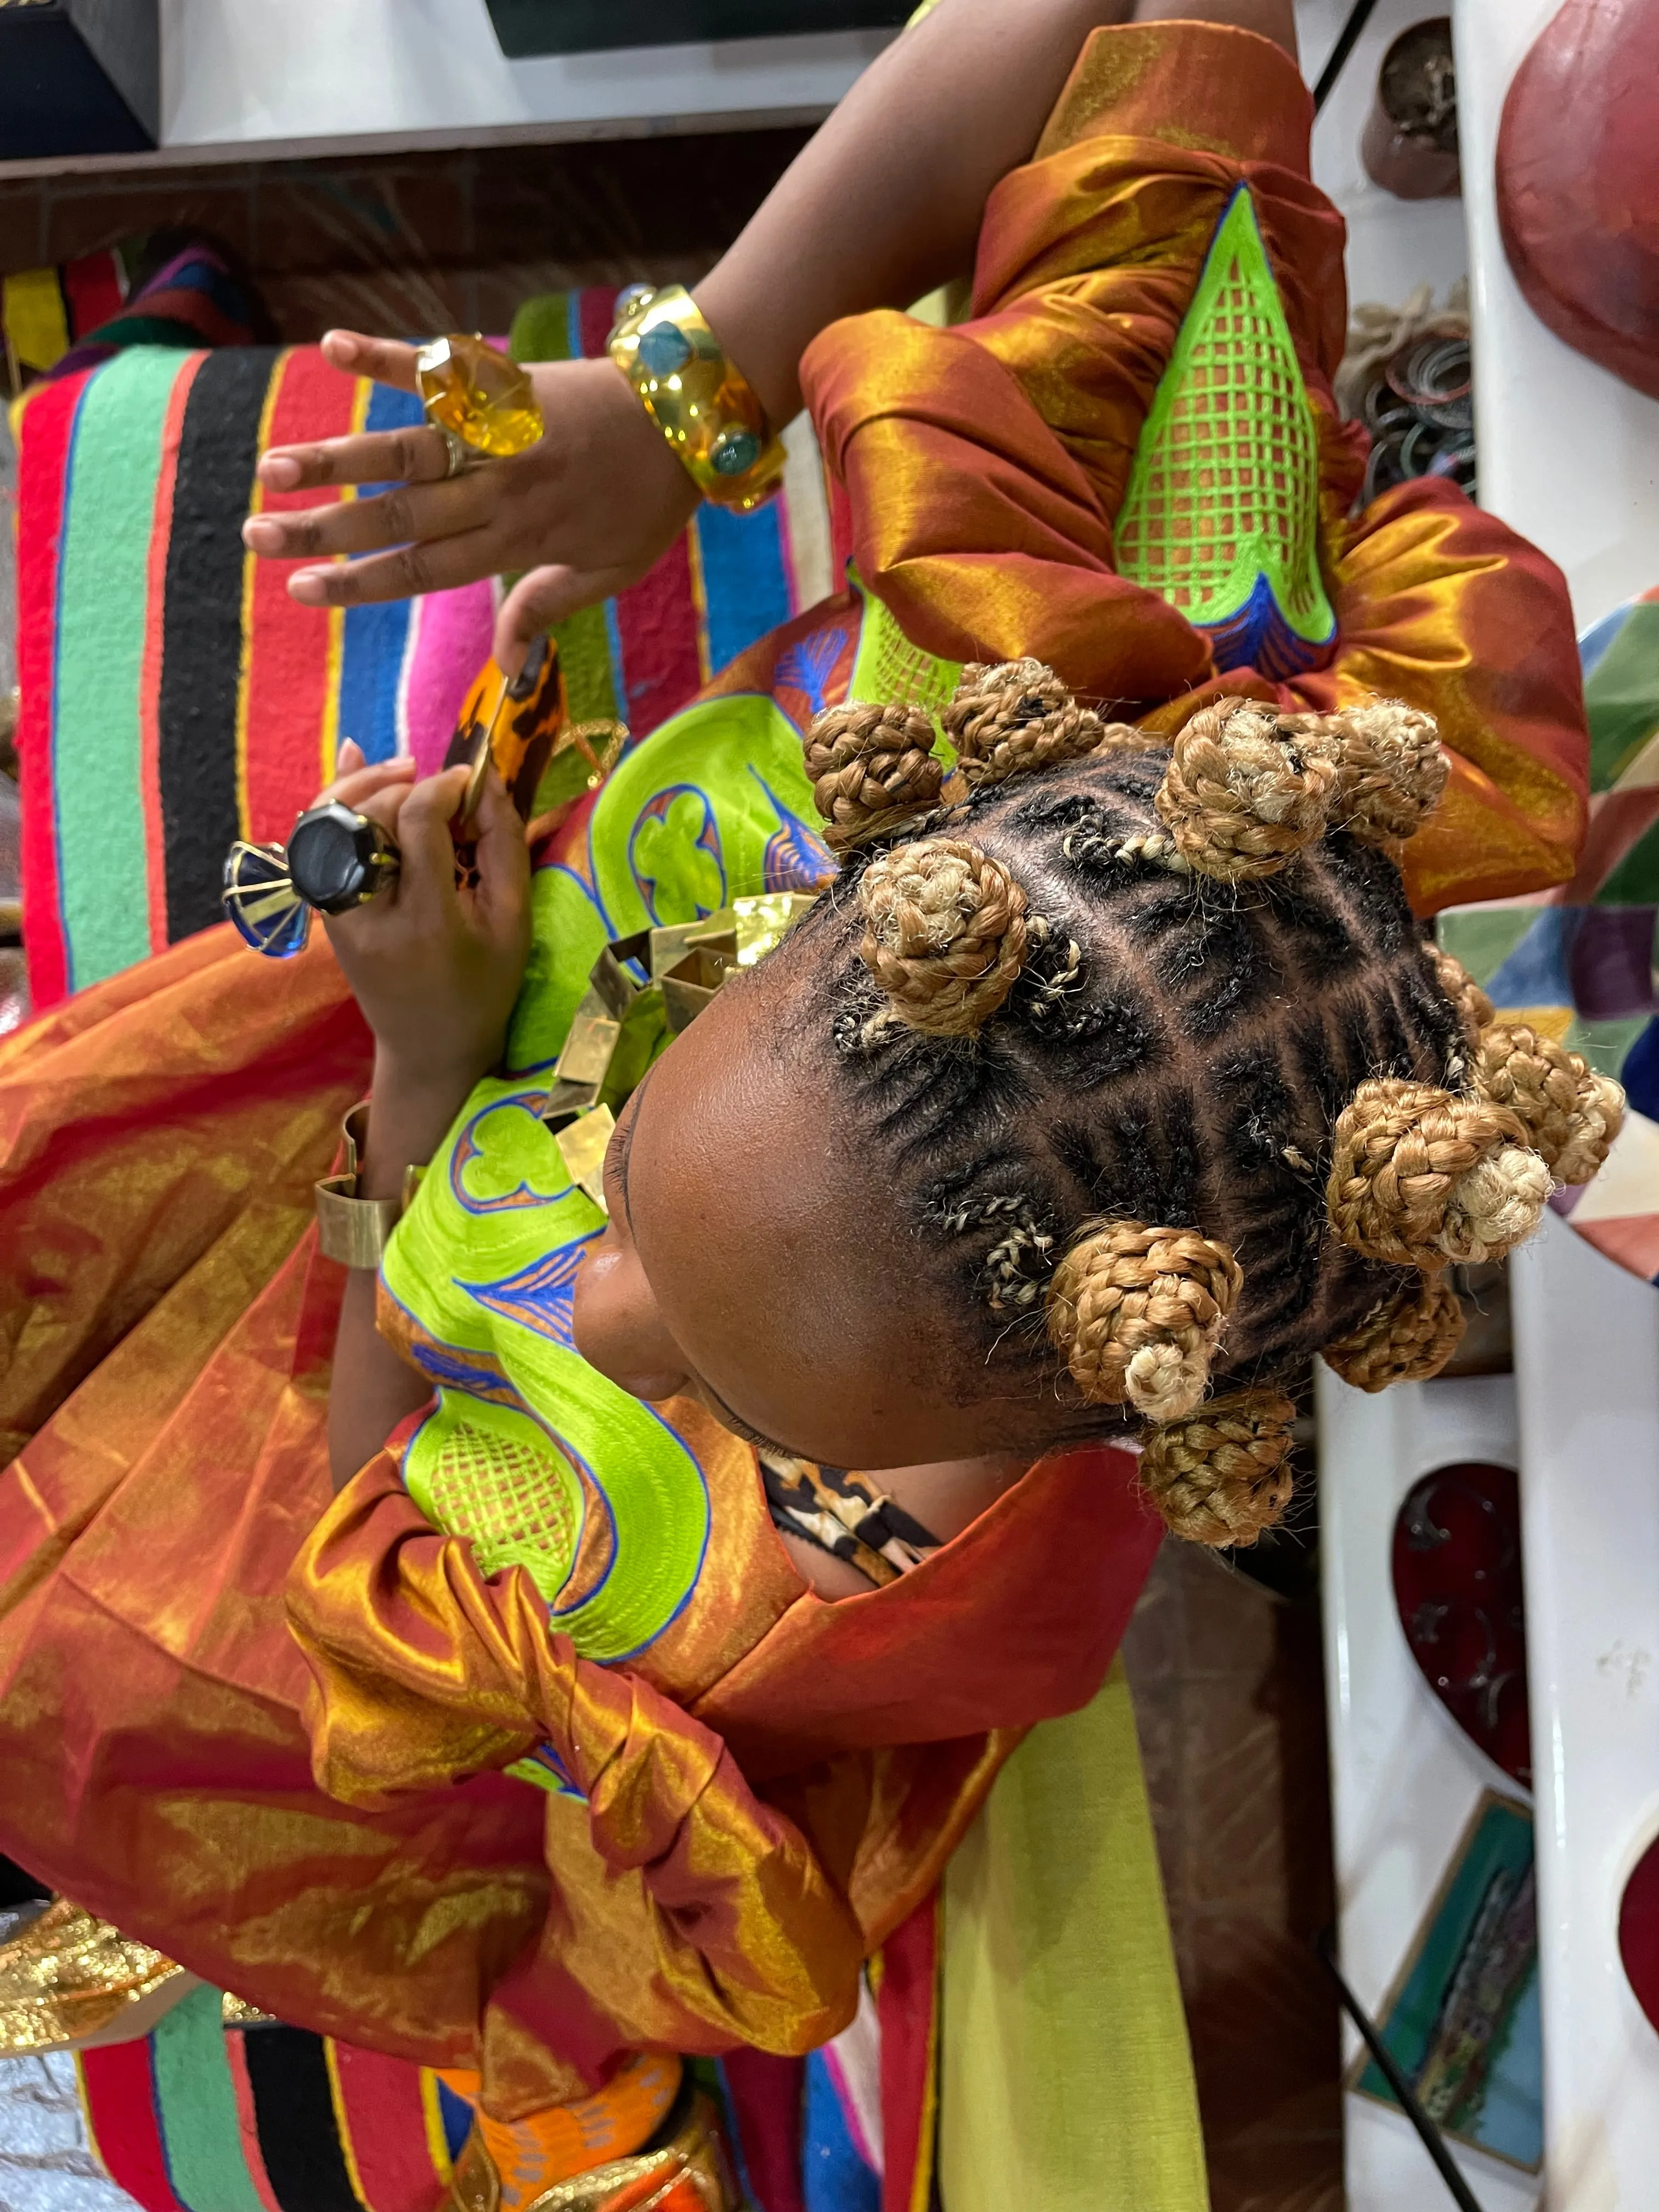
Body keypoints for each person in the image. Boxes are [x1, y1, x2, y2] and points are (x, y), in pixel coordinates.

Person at [0, 2, 1613, 2204]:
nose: (596, 1313)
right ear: (892, 869)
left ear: (1074, 1418)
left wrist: (419, 1083)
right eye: (652, 1195)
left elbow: (366, 1500)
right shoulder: (1002, 680)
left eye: (714, 1363)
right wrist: (686, 403)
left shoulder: (833, 1592)